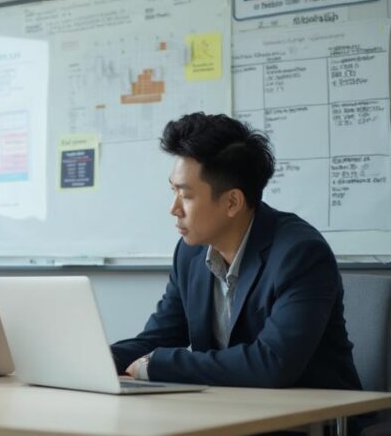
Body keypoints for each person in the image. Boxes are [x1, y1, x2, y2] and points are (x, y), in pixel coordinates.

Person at [111, 112, 361, 392]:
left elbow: (272, 364)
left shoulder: (300, 254)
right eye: (173, 191)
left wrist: (157, 365)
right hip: (232, 413)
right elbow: (158, 338)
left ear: (232, 202)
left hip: (314, 423)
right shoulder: (190, 254)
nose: (174, 208)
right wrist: (99, 360)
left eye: (186, 195)